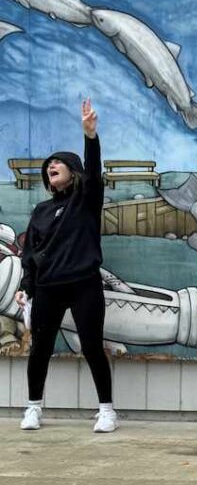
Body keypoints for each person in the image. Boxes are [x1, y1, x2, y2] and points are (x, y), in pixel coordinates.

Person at [15, 99, 117, 433]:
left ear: (74, 172)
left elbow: (94, 172)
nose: (51, 166)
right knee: (40, 348)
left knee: (91, 346)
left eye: (58, 163)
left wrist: (90, 136)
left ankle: (106, 410)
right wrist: (24, 289)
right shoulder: (41, 210)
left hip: (83, 283)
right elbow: (30, 254)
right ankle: (33, 408)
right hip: (47, 287)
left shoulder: (86, 202)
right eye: (48, 165)